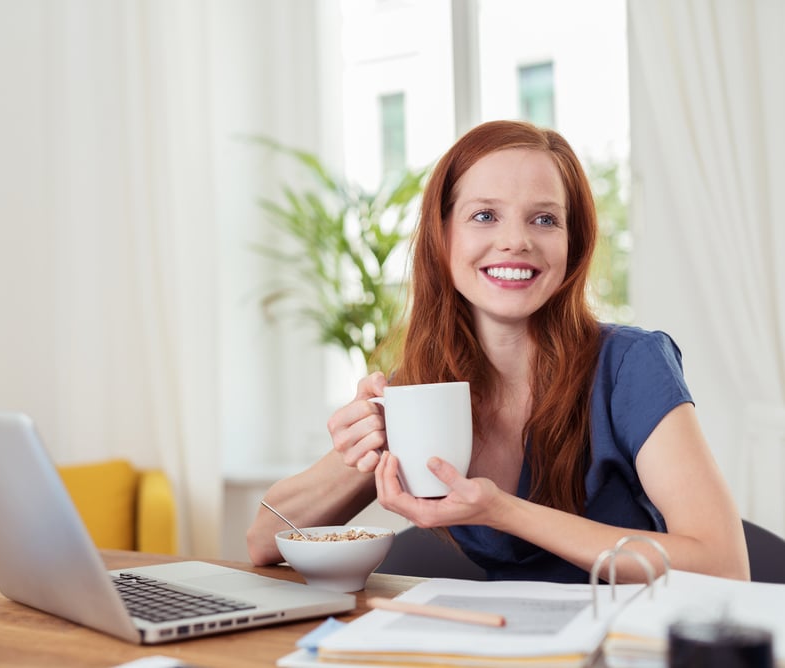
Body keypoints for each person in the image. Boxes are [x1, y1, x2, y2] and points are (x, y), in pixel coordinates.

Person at [245, 120, 749, 584]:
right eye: (484, 215)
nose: (515, 241)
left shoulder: (631, 365)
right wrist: (358, 448)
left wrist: (501, 509)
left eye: (545, 219)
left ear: (573, 242)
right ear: (443, 237)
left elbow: (723, 566)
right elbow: (264, 543)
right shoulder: (422, 390)